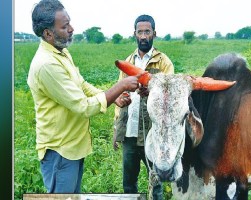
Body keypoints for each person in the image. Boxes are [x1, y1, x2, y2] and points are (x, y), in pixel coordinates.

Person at [27, 0, 140, 193]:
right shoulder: (47, 65)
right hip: (59, 151)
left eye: (69, 23)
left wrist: (114, 97)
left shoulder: (61, 53)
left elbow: (81, 85)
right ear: (48, 33)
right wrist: (120, 86)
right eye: (64, 26)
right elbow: (83, 106)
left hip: (72, 146)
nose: (72, 29)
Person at [113, 14, 174, 200]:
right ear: (134, 34)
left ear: (154, 33)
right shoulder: (127, 62)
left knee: (155, 184)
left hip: (152, 134)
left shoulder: (163, 62)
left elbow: (170, 95)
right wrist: (117, 123)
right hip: (130, 134)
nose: (143, 36)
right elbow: (118, 94)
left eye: (147, 31)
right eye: (140, 32)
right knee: (128, 184)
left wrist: (153, 93)